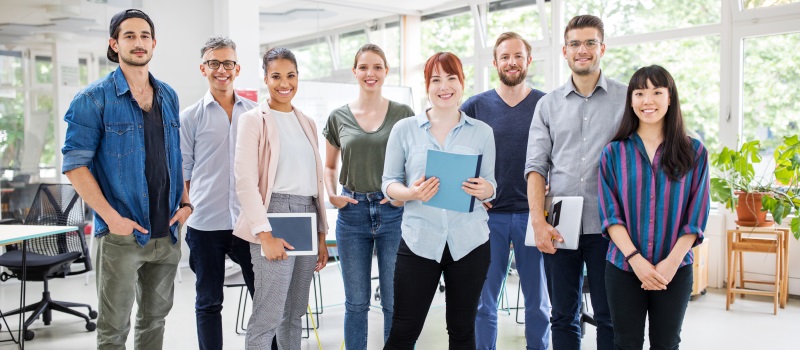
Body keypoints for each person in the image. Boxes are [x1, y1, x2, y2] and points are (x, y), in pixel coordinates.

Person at [62, 8, 187, 349]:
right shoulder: (92, 99)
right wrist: (111, 218)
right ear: (114, 44)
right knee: (113, 330)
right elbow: (75, 166)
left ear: (154, 43)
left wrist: (186, 203)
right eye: (129, 36)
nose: (138, 42)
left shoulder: (168, 96)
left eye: (144, 36)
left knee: (154, 321)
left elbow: (177, 157)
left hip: (167, 234)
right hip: (121, 235)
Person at [524, 14, 626, 350]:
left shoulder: (627, 100)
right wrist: (538, 221)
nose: (582, 50)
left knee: (610, 317)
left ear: (602, 48)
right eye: (575, 44)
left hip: (609, 225)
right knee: (563, 315)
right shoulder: (548, 105)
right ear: (564, 51)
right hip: (559, 225)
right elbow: (536, 168)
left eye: (590, 43)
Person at [382, 52, 496, 350]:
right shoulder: (404, 129)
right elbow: (388, 183)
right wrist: (410, 193)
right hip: (420, 240)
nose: (444, 86)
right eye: (436, 80)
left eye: (451, 78)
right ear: (426, 86)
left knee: (462, 330)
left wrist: (486, 189)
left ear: (462, 83)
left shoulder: (482, 132)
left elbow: (491, 184)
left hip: (469, 242)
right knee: (404, 330)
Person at [598, 65, 709, 350]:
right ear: (631, 100)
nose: (648, 100)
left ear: (670, 98)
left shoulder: (694, 152)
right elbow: (611, 215)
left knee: (667, 343)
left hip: (674, 269)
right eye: (640, 93)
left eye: (657, 92)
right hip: (623, 267)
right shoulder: (614, 152)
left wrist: (670, 264)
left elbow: (695, 216)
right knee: (625, 343)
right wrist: (637, 261)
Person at [233, 47, 329, 350]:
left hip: (307, 218)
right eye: (276, 76)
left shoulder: (308, 122)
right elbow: (245, 181)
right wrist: (265, 234)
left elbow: (315, 182)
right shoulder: (253, 120)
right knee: (268, 315)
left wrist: (321, 235)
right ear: (265, 79)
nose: (284, 83)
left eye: (290, 75)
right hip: (273, 216)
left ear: (298, 77)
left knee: (295, 314)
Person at [461, 32, 550, 350]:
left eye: (518, 56)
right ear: (495, 62)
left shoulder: (545, 103)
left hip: (533, 216)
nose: (511, 62)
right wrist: (472, 195)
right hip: (488, 218)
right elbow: (458, 154)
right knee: (484, 301)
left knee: (538, 303)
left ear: (529, 60)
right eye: (505, 56)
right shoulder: (475, 106)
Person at [323, 44, 414, 350]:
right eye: (363, 67)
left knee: (394, 302)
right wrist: (332, 195)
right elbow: (329, 165)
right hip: (352, 213)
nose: (370, 73)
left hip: (393, 213)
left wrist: (404, 196)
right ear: (354, 71)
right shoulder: (338, 117)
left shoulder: (403, 115)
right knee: (356, 303)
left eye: (377, 67)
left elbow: (414, 163)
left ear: (386, 72)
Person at [179, 36, 259, 350]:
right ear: (204, 68)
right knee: (209, 302)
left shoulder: (255, 114)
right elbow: (183, 171)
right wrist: (186, 208)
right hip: (205, 224)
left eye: (227, 63)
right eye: (214, 63)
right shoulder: (190, 117)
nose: (221, 69)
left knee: (265, 299)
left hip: (248, 223)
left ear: (237, 68)